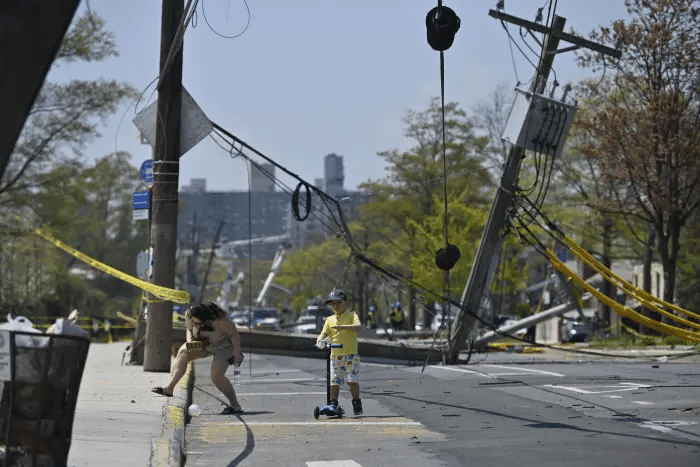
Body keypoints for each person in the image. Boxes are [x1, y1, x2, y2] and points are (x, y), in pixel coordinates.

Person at [151, 302, 245, 414]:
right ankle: (170, 388)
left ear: (207, 319)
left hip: (223, 346)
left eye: (199, 324)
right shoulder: (189, 315)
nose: (196, 326)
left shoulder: (221, 320)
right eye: (194, 323)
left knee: (216, 377)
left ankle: (235, 405)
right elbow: (189, 330)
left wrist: (237, 354)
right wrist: (191, 341)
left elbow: (235, 334)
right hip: (204, 344)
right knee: (183, 351)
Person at [316, 288, 363, 416]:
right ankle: (333, 403)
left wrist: (343, 327)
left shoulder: (352, 315)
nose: (335, 306)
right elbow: (323, 334)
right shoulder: (329, 320)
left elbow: (358, 328)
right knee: (334, 381)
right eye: (332, 304)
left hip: (351, 355)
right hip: (335, 356)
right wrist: (320, 341)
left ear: (346, 303)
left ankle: (356, 402)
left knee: (351, 381)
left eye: (338, 303)